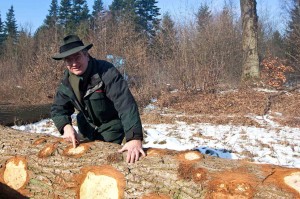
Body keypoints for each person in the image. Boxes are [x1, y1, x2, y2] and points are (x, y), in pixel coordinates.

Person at [51, 35, 145, 163]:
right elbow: (58, 108)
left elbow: (125, 104)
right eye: (68, 60)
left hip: (111, 126)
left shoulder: (106, 71)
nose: (74, 63)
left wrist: (134, 138)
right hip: (86, 126)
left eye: (77, 57)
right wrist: (66, 127)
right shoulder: (67, 80)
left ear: (86, 55)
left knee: (105, 162)